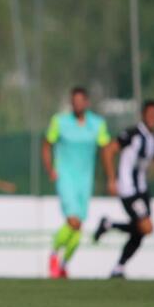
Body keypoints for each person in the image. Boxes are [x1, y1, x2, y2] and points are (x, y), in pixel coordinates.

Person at [93, 100, 154, 278]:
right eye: (148, 114)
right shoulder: (131, 134)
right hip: (128, 189)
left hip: (143, 190)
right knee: (146, 226)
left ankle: (118, 266)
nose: (152, 118)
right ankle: (111, 233)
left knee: (142, 230)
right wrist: (112, 180)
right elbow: (107, 151)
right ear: (143, 115)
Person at [42, 86, 115, 279]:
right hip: (65, 176)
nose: (77, 104)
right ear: (71, 102)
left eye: (81, 101)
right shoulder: (60, 121)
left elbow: (106, 150)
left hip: (85, 180)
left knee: (78, 225)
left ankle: (64, 265)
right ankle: (53, 254)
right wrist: (50, 169)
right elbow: (46, 145)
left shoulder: (97, 124)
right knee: (72, 220)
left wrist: (111, 178)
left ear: (87, 103)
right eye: (74, 101)